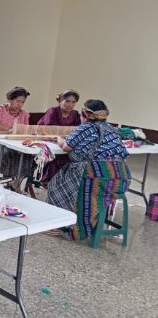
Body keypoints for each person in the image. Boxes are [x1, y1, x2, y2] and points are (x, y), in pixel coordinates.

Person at [47, 99, 130, 240]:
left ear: (85, 114)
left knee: (56, 185)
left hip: (98, 177)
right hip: (121, 178)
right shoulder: (111, 128)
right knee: (71, 178)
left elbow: (66, 147)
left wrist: (59, 138)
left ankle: (60, 225)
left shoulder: (85, 127)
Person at [37, 90, 81, 186]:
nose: (70, 104)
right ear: (60, 101)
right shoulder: (53, 111)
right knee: (54, 155)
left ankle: (64, 183)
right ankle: (49, 181)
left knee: (72, 156)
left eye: (73, 102)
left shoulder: (75, 114)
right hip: (48, 141)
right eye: (67, 101)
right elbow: (48, 129)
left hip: (64, 142)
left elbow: (77, 130)